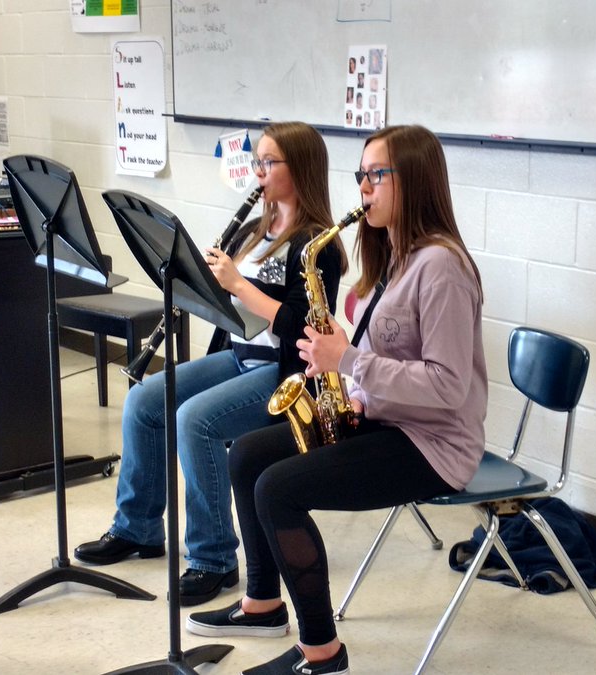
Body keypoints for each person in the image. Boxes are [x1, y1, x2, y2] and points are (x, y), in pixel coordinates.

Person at [186, 124, 487, 674]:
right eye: (361, 175)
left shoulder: (441, 268)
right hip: (385, 418)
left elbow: (448, 387)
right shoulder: (397, 255)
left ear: (414, 181)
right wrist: (349, 389)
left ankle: (321, 653)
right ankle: (262, 601)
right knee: (248, 455)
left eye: (376, 175)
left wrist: (347, 361)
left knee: (278, 489)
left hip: (434, 446)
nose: (363, 188)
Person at [74, 121, 348, 608]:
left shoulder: (317, 245)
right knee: (143, 400)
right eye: (257, 161)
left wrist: (240, 286)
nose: (258, 171)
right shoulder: (253, 228)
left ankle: (214, 557)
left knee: (194, 420)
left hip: (282, 371)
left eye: (269, 162)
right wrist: (200, 284)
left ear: (299, 168)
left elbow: (303, 326)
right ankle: (137, 528)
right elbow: (226, 306)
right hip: (239, 355)